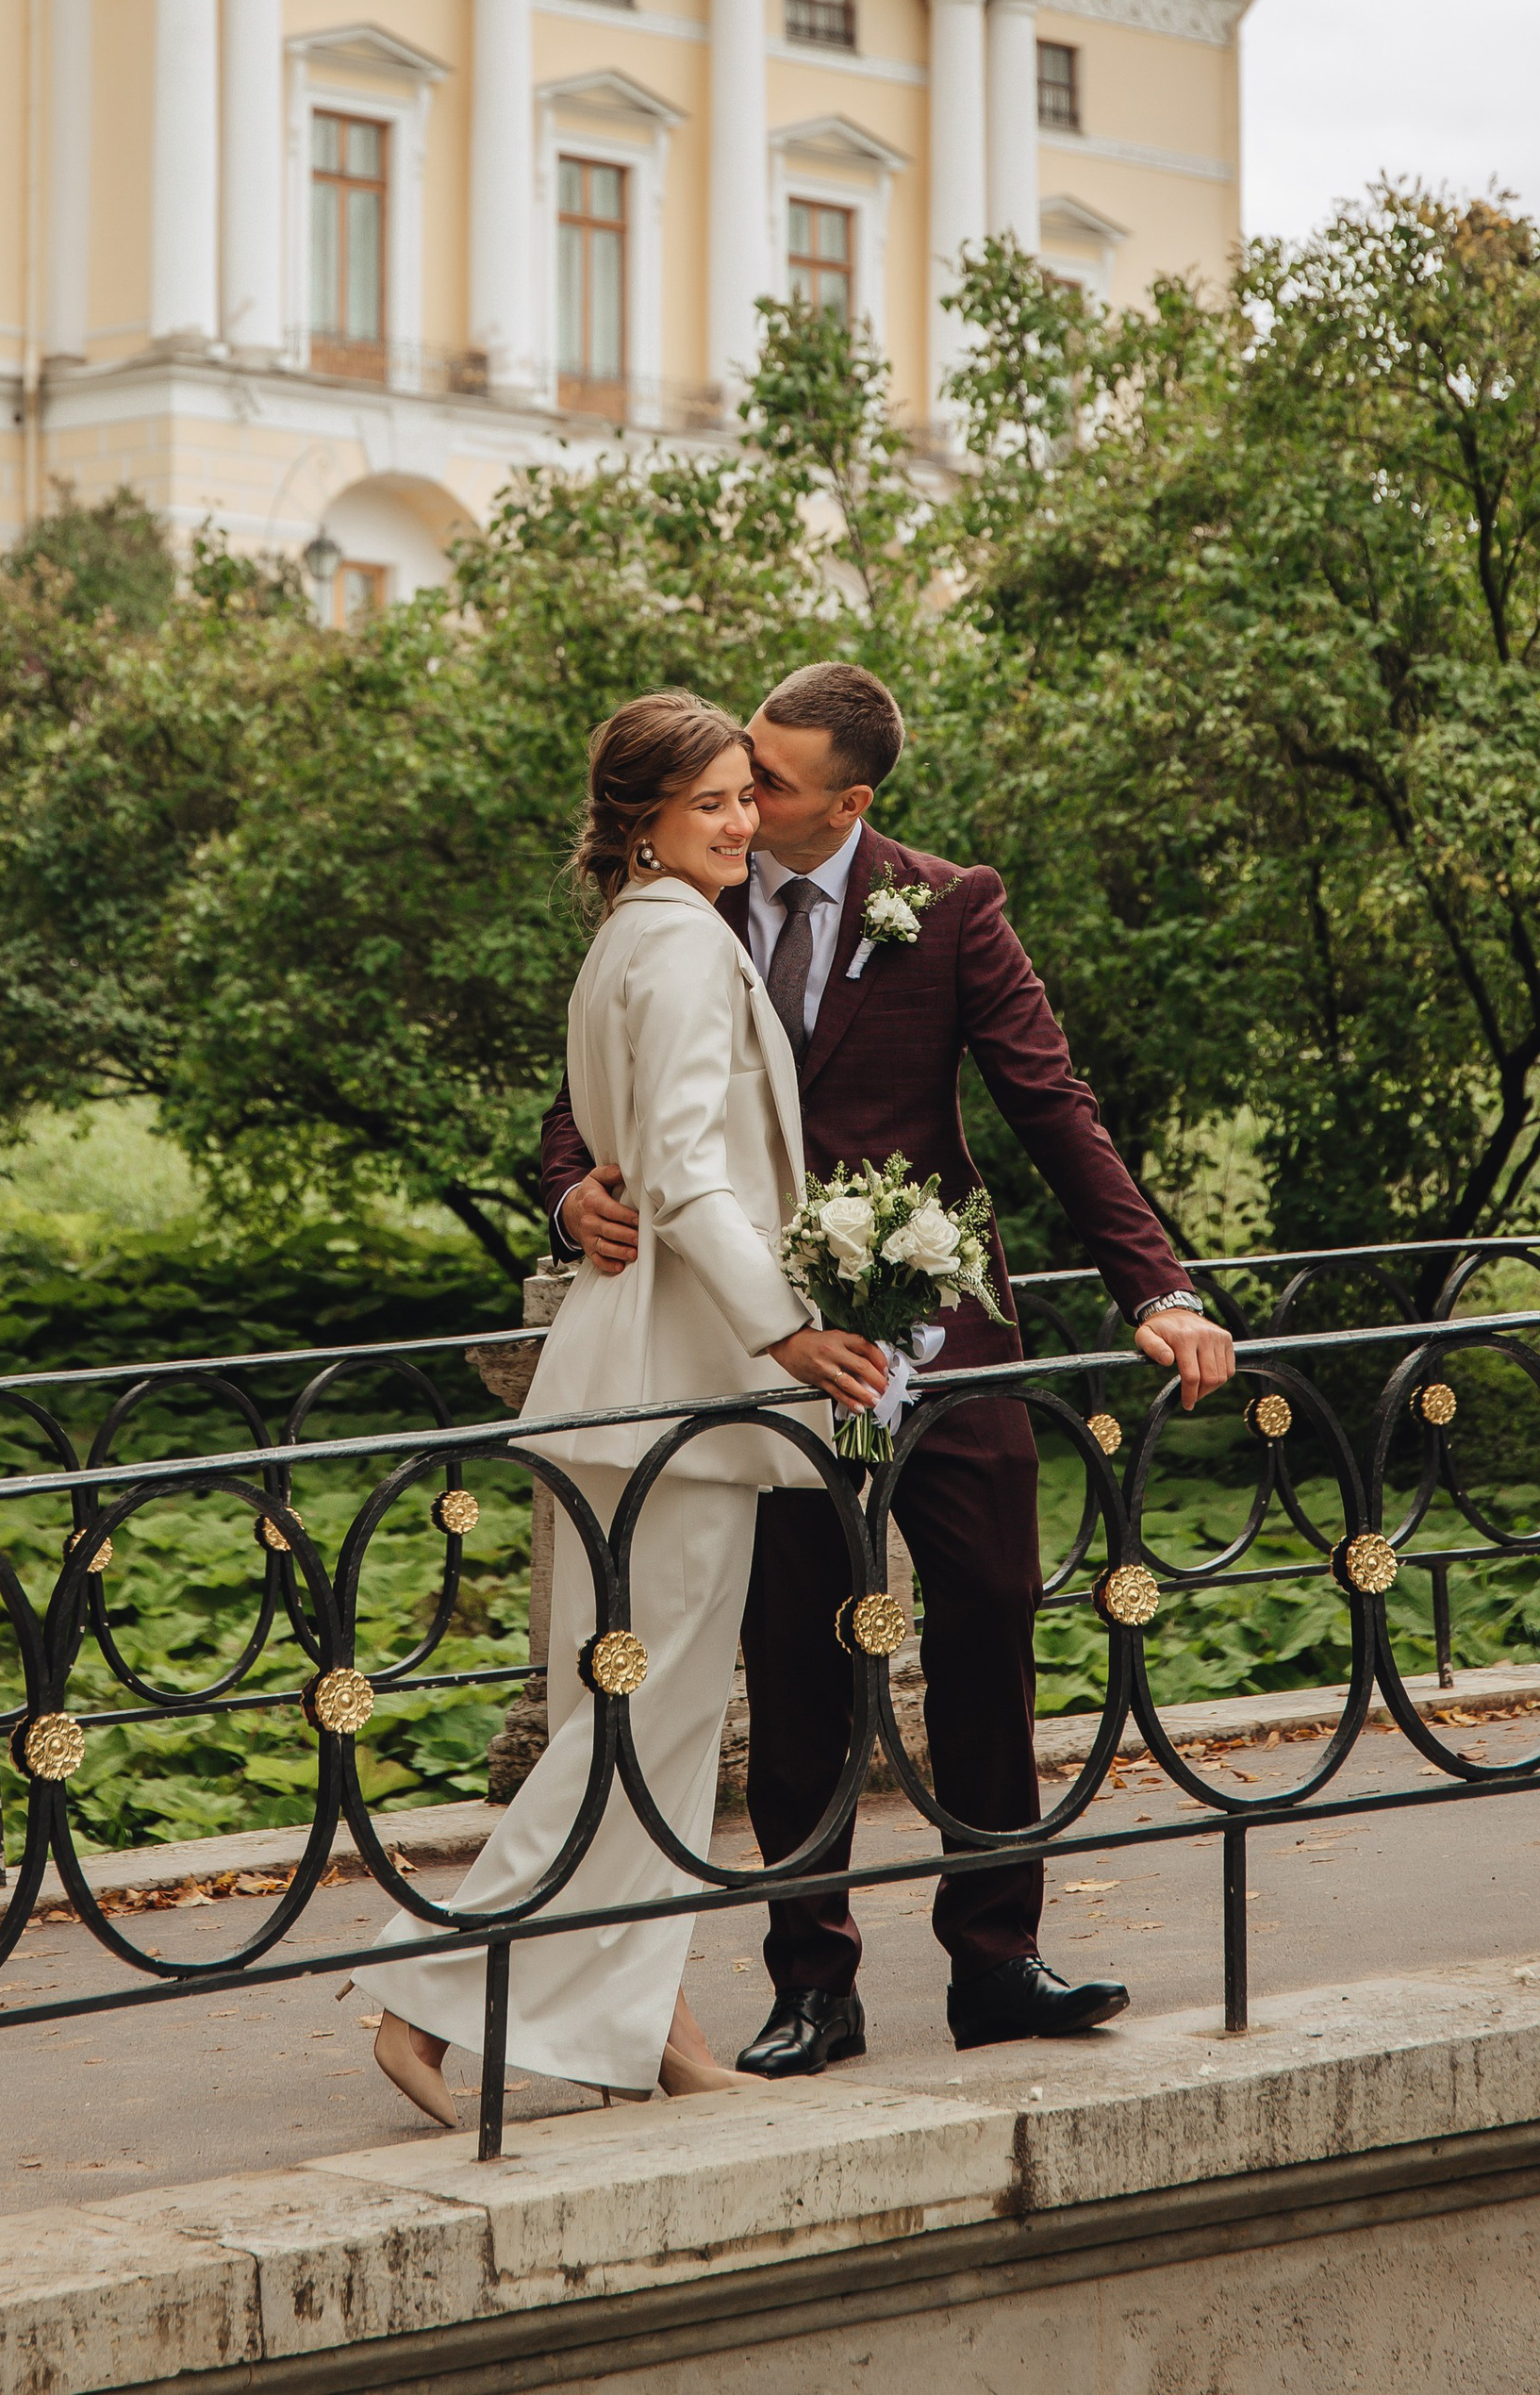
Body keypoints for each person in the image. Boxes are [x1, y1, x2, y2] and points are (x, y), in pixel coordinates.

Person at [539, 659, 1235, 2069]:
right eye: (735, 774)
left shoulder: (951, 903)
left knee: (989, 1615)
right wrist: (569, 1190)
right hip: (763, 1347)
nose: (745, 794)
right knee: (795, 1658)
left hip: (943, 1331)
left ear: (848, 802)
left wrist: (1156, 1283)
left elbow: (1051, 1101)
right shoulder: (694, 884)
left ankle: (999, 1960)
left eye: (770, 779)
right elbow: (591, 1098)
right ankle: (814, 1983)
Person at [363, 690, 887, 2128]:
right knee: (635, 1732)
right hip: (672, 1390)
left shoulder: (636, 936)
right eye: (712, 799)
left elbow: (638, 1161)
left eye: (745, 795)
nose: (739, 819)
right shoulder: (676, 943)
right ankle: (425, 1994)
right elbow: (680, 1171)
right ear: (644, 816)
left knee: (649, 1726)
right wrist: (784, 1325)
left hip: (639, 1382)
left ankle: (644, 2022)